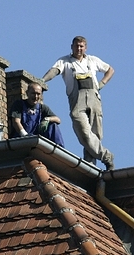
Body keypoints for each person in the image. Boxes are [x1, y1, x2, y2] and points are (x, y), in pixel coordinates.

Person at [42, 36, 115, 170]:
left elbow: (110, 69)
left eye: (81, 46)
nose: (79, 49)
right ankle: (107, 156)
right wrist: (42, 80)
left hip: (94, 100)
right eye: (76, 46)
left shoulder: (92, 60)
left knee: (96, 135)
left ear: (85, 48)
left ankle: (90, 167)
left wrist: (102, 83)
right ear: (72, 47)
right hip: (77, 101)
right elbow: (54, 71)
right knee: (85, 134)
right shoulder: (65, 61)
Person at [9, 82, 65, 147]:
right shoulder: (19, 104)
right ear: (27, 93)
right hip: (20, 140)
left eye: (38, 94)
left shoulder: (42, 108)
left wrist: (47, 119)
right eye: (33, 93)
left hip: (36, 140)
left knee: (53, 125)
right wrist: (24, 135)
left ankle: (58, 148)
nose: (35, 96)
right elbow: (16, 122)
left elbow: (58, 120)